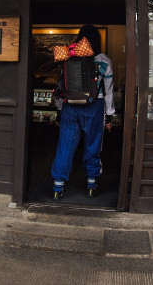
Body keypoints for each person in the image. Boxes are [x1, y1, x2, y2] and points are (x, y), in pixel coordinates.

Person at [51, 24, 114, 200]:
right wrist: (109, 114)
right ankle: (91, 184)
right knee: (92, 144)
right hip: (94, 105)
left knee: (65, 145)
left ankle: (58, 186)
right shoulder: (103, 60)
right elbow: (109, 90)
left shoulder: (68, 56)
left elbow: (60, 87)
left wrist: (59, 111)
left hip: (70, 106)